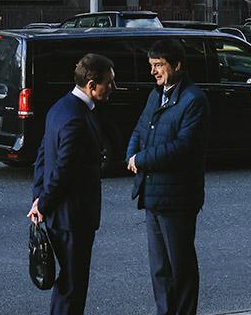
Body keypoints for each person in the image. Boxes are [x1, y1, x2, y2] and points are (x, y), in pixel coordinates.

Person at [28, 53, 116, 315]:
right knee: (73, 286)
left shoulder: (60, 107)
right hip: (73, 217)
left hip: (61, 215)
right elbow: (64, 171)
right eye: (109, 82)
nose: (113, 87)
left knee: (68, 283)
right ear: (91, 85)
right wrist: (43, 203)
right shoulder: (77, 118)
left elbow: (43, 156)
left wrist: (39, 197)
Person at [126, 39, 210, 315]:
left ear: (177, 65)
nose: (153, 71)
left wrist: (141, 160)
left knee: (180, 267)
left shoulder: (193, 100)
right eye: (151, 65)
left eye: (159, 65)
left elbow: (183, 148)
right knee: (160, 269)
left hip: (178, 198)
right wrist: (131, 154)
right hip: (152, 194)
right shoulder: (156, 95)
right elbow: (140, 129)